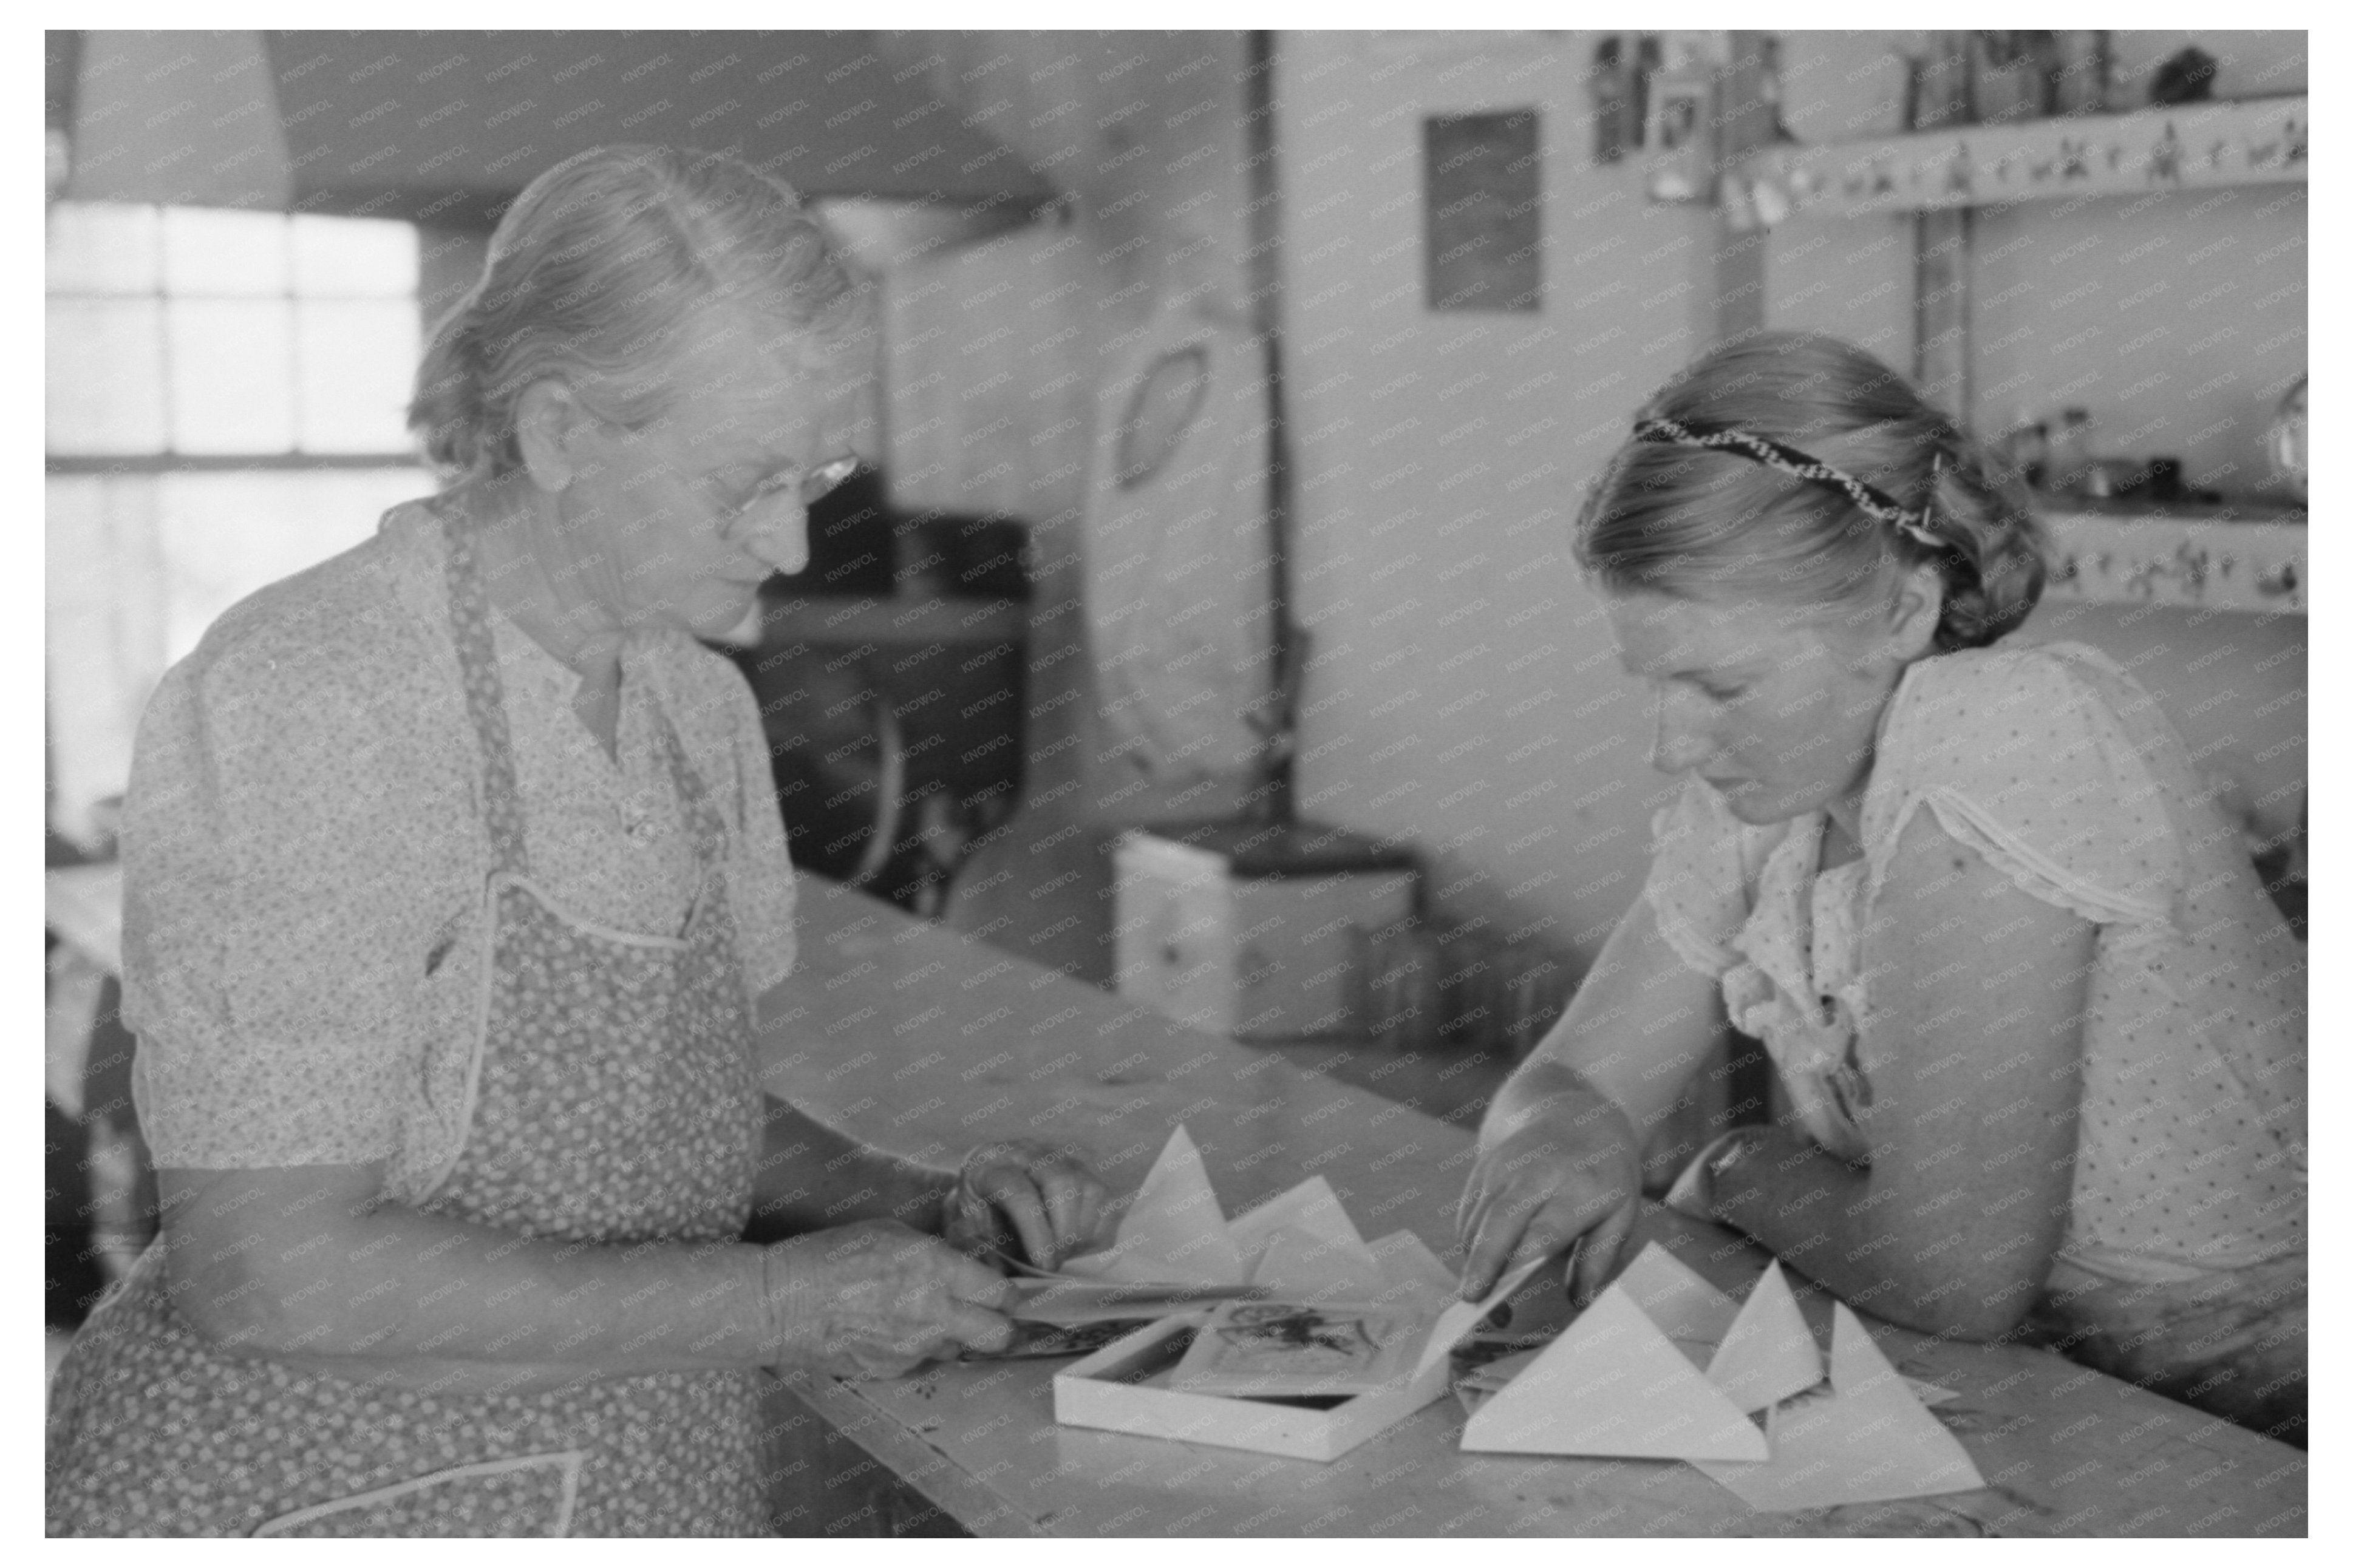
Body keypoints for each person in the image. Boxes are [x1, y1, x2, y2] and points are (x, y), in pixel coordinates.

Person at [46, 145, 1109, 1536]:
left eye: (817, 475)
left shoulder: (691, 700)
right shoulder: (316, 698)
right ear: (557, 430)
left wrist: (914, 1207)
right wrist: (780, 1300)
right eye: (744, 482)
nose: (792, 545)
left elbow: (665, 1113)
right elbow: (266, 1270)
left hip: (628, 1479)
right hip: (321, 1503)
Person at [1456, 331, 2306, 1443]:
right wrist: (1560, 1136)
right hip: (2079, 1395)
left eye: (1722, 686)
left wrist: (1732, 1167)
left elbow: (1956, 1278)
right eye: (1654, 684)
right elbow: (1570, 1079)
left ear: (1905, 613)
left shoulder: (2000, 732)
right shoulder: (1767, 800)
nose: (1671, 745)